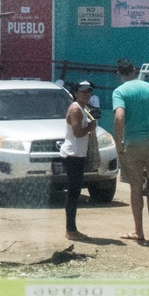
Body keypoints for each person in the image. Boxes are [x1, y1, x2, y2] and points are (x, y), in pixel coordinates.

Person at [112, 58, 149, 243]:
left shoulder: (120, 91)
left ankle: (139, 231)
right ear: (135, 70)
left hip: (133, 144)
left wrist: (119, 143)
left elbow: (119, 117)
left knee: (136, 187)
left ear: (119, 73)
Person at [61, 82, 97, 241]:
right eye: (83, 92)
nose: (86, 94)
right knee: (73, 194)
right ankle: (70, 229)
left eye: (89, 92)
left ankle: (72, 228)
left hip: (78, 155)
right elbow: (77, 132)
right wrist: (90, 127)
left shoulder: (83, 108)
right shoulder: (76, 109)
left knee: (75, 193)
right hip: (72, 155)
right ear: (75, 93)